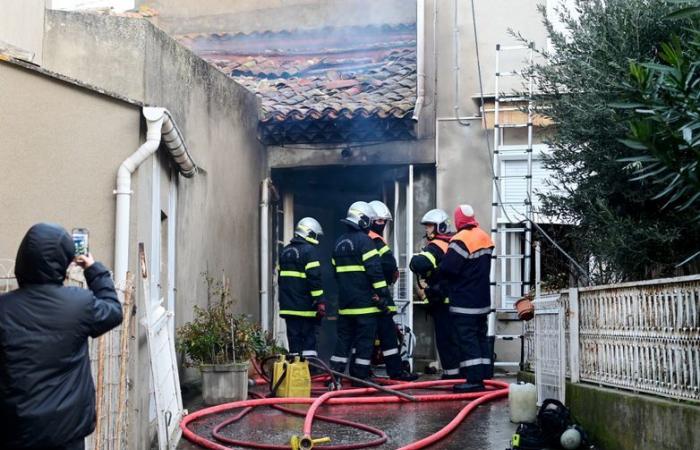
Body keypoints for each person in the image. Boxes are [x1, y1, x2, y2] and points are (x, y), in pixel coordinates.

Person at [0, 223, 123, 450]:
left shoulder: (3, 308)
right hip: (66, 433)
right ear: (64, 262)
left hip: (15, 432)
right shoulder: (79, 304)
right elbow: (114, 311)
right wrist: (93, 268)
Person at [329, 201, 391, 384]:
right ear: (363, 221)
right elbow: (375, 271)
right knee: (364, 343)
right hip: (365, 306)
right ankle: (360, 377)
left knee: (343, 343)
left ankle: (335, 376)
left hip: (346, 306)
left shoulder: (338, 243)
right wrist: (383, 294)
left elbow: (335, 274)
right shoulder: (366, 242)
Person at [439, 205, 495, 392]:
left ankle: (474, 380)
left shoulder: (460, 240)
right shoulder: (484, 236)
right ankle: (485, 374)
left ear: (458, 220)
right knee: (480, 337)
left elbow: (448, 268)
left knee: (467, 339)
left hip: (464, 300)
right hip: (482, 299)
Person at [367, 200, 417, 381]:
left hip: (365, 297)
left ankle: (362, 372)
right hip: (379, 297)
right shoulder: (376, 241)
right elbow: (388, 265)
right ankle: (395, 371)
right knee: (388, 335)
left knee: (365, 337)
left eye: (383, 221)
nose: (382, 225)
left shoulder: (359, 239)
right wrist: (392, 275)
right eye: (379, 221)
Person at [409, 208, 461, 380]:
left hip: (442, 300)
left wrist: (414, 260)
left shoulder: (437, 245)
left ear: (440, 227)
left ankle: (451, 376)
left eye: (430, 226)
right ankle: (456, 374)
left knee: (445, 340)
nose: (427, 229)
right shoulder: (452, 242)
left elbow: (420, 264)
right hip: (453, 299)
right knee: (454, 339)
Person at [278, 217, 326, 358]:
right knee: (309, 341)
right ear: (309, 233)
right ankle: (309, 370)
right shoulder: (309, 251)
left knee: (294, 341)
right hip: (305, 307)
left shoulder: (285, 251)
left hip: (288, 307)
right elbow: (314, 278)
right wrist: (320, 301)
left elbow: (281, 280)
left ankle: (295, 371)